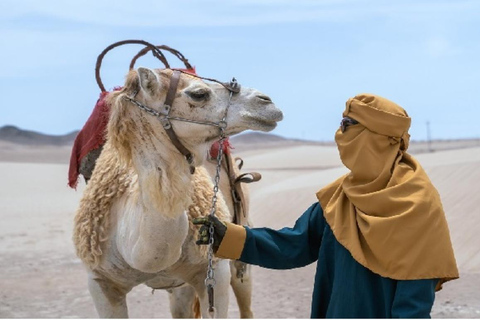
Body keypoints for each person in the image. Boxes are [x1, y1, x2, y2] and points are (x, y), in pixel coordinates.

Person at [193, 93, 459, 318]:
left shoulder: (417, 205)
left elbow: (415, 299)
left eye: (348, 125)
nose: (339, 134)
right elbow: (294, 245)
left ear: (377, 138)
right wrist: (228, 236)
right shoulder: (340, 197)